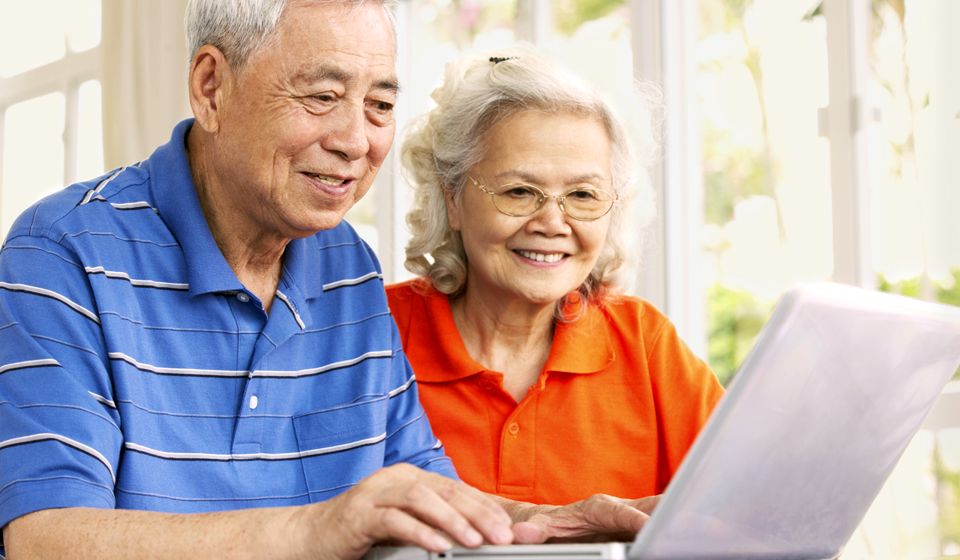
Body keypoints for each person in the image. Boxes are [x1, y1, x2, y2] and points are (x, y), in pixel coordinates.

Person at [0, 3, 652, 559]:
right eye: (322, 96)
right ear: (210, 87)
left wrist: (550, 523)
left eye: (380, 104)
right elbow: (47, 538)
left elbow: (422, 495)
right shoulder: (62, 253)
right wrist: (321, 527)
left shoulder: (348, 265)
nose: (355, 139)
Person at [387, 48, 725, 506]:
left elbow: (744, 504)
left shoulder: (644, 345)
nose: (552, 222)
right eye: (520, 191)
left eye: (583, 195)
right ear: (452, 200)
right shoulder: (373, 331)